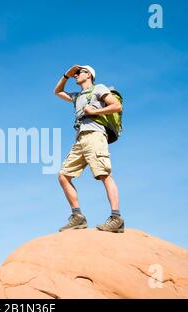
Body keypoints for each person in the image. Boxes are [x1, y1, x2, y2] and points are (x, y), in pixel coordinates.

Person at [54, 64, 124, 233]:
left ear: (90, 75)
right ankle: (78, 217)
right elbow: (57, 92)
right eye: (76, 73)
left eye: (80, 72)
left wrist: (95, 112)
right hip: (80, 139)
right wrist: (66, 75)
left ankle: (116, 218)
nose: (77, 74)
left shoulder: (99, 88)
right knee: (63, 176)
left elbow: (116, 106)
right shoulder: (77, 96)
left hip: (95, 134)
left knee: (104, 174)